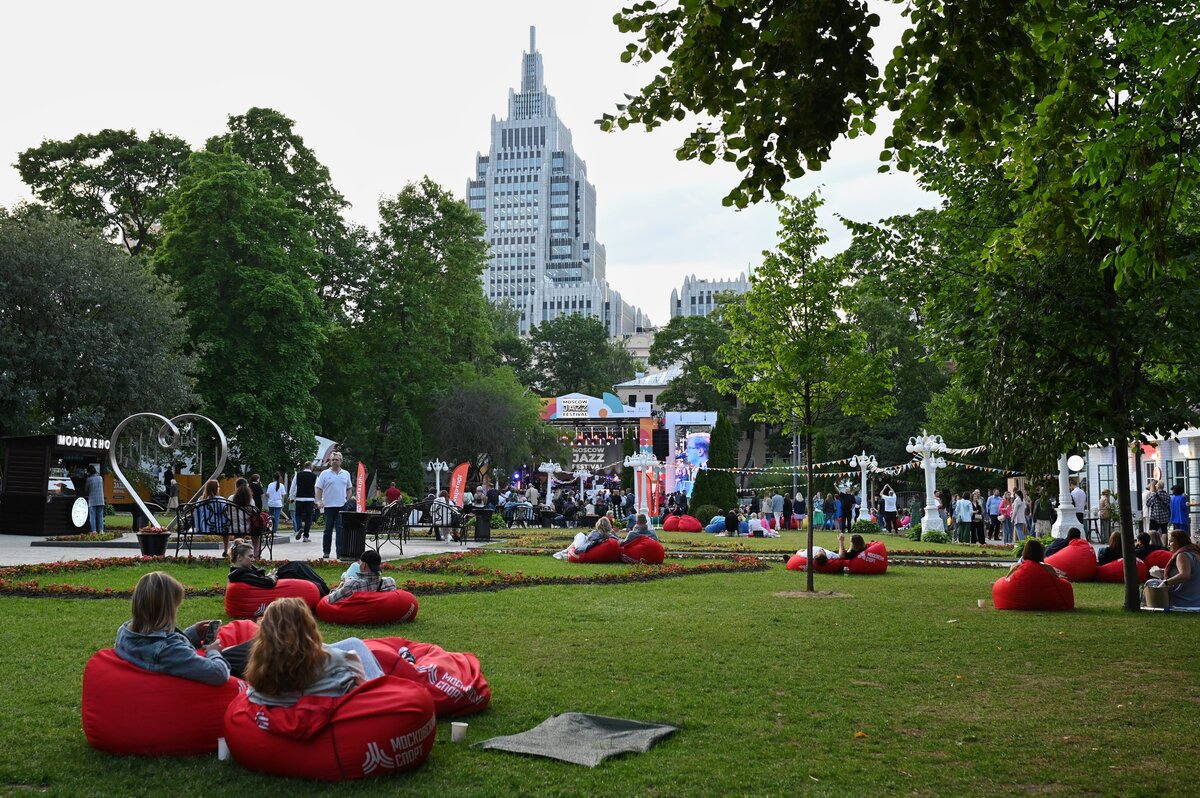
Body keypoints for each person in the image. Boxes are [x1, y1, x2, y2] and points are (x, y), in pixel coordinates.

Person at [245, 598, 385, 707]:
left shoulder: (258, 678)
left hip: (288, 695)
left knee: (352, 642)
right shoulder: (337, 660)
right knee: (356, 644)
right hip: (343, 702)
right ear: (309, 626)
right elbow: (362, 687)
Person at [114, 571, 233, 685]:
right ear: (167, 611)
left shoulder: (124, 632)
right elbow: (219, 674)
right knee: (241, 651)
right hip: (191, 692)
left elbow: (165, 647)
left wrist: (193, 633)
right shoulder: (167, 650)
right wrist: (214, 652)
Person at [315, 452, 353, 559]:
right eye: (333, 460)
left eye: (337, 460)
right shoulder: (324, 474)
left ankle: (340, 552)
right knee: (328, 529)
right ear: (330, 461)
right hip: (328, 505)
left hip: (342, 505)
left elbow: (349, 488)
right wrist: (319, 500)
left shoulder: (345, 474)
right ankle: (326, 551)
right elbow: (318, 488)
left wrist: (347, 499)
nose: (335, 461)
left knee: (340, 529)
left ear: (341, 461)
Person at [327, 550, 397, 604]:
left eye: (360, 563)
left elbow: (330, 599)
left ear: (364, 565)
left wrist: (339, 586)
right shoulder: (390, 581)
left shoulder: (353, 584)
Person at [1160, 530, 1200, 609]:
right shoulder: (1195, 553)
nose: (1168, 544)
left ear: (1178, 542)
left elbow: (1185, 575)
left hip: (1184, 602)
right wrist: (1165, 571)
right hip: (1196, 600)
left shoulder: (1182, 555)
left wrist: (1166, 583)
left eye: (1171, 541)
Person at [291, 462, 317, 543]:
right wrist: (316, 501)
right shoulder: (315, 476)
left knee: (298, 515)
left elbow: (293, 485)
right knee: (308, 517)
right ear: (310, 466)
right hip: (310, 499)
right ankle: (306, 536)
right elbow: (316, 488)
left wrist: (291, 496)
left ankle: (299, 528)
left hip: (299, 498)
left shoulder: (298, 475)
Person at [264, 472, 286, 537]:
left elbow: (268, 494)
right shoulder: (282, 485)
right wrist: (282, 503)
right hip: (278, 503)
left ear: (273, 478)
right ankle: (275, 531)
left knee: (271, 517)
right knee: (276, 518)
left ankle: (270, 530)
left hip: (271, 503)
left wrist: (269, 496)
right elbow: (283, 495)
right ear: (279, 478)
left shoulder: (270, 484)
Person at [85, 465, 105, 534]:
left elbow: (86, 489)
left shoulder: (89, 479)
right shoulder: (100, 478)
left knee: (92, 516)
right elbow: (102, 486)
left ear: (89, 472)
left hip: (92, 500)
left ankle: (94, 530)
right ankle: (101, 530)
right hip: (101, 499)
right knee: (100, 516)